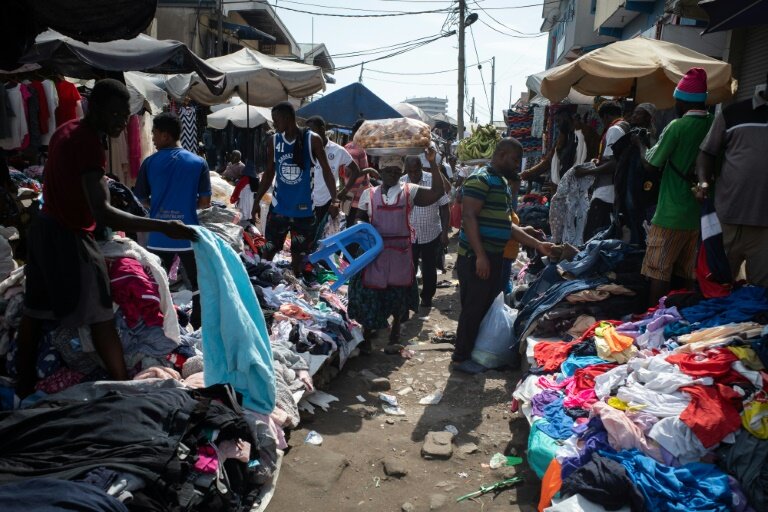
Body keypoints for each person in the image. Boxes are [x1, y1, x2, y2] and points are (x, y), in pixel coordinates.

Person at [16, 79, 197, 397]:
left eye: (123, 114)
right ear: (95, 108)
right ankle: (123, 387)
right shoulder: (87, 142)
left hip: (44, 231)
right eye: (113, 114)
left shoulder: (66, 131)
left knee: (36, 310)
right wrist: (160, 225)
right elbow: (102, 211)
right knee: (100, 313)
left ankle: (23, 384)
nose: (119, 121)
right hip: (68, 234)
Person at [454, 138, 554, 369]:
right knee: (473, 306)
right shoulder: (481, 179)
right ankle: (461, 357)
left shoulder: (501, 183)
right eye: (515, 159)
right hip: (476, 256)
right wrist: (480, 255)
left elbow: (507, 225)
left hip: (495, 256)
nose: (518, 164)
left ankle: (475, 352)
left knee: (486, 306)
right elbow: (468, 217)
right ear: (501, 155)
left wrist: (537, 244)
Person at [349, 147, 447, 352]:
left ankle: (395, 333)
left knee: (398, 294)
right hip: (375, 253)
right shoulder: (369, 194)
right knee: (370, 293)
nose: (393, 175)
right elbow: (359, 218)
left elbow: (438, 193)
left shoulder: (409, 191)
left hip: (400, 252)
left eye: (396, 171)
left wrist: (433, 163)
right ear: (381, 172)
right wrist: (362, 229)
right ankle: (367, 336)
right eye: (389, 171)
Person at [636, 67, 714, 306]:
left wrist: (640, 143)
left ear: (682, 100)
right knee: (686, 274)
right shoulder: (713, 123)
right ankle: (679, 319)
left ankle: (651, 320)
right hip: (696, 215)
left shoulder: (677, 126)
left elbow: (651, 164)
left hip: (669, 214)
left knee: (658, 271)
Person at [135, 112, 211, 329]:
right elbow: (205, 202)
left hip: (159, 235)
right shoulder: (198, 162)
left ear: (166, 136)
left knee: (155, 284)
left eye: (155, 134)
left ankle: (156, 324)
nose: (152, 138)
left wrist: (159, 207)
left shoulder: (149, 163)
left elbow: (141, 198)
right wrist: (186, 207)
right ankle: (198, 325)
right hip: (188, 234)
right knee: (197, 284)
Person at [696, 74, 768, 287]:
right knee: (714, 286)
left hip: (765, 227)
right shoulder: (734, 113)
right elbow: (706, 152)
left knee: (759, 296)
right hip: (727, 217)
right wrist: (703, 182)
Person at [250, 102, 336, 276]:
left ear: (288, 118)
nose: (274, 124)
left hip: (303, 215)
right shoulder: (274, 140)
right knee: (269, 249)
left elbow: (327, 172)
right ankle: (264, 279)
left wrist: (335, 200)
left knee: (299, 256)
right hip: (279, 210)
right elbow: (268, 173)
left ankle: (295, 286)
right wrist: (256, 201)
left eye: (276, 120)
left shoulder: (312, 140)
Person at [401, 155, 451, 309]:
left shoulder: (433, 180)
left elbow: (444, 207)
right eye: (410, 172)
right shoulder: (402, 182)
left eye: (416, 171)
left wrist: (444, 233)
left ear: (421, 168)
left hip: (431, 233)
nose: (414, 175)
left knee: (429, 269)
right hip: (409, 235)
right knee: (409, 269)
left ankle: (427, 297)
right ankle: (409, 298)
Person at [577, 100, 629, 239]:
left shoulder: (614, 130)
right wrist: (598, 161)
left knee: (593, 235)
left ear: (605, 116)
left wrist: (586, 172)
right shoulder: (625, 127)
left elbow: (613, 164)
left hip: (606, 191)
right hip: (614, 189)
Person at [304, 116, 360, 239]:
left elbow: (356, 171)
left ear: (322, 129)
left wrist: (343, 192)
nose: (310, 135)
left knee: (325, 236)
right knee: (307, 236)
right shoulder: (305, 149)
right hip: (307, 200)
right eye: (308, 132)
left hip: (327, 202)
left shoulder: (337, 150)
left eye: (313, 131)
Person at [612, 102, 657, 245]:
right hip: (628, 186)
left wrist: (639, 144)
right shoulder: (632, 135)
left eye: (639, 113)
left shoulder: (650, 138)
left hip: (642, 190)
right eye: (634, 113)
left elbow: (650, 163)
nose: (634, 116)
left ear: (648, 118)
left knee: (638, 217)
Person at [341, 119, 373, 224]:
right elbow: (350, 173)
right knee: (354, 228)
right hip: (356, 198)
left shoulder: (350, 146)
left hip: (355, 196)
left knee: (352, 226)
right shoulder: (355, 149)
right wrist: (370, 170)